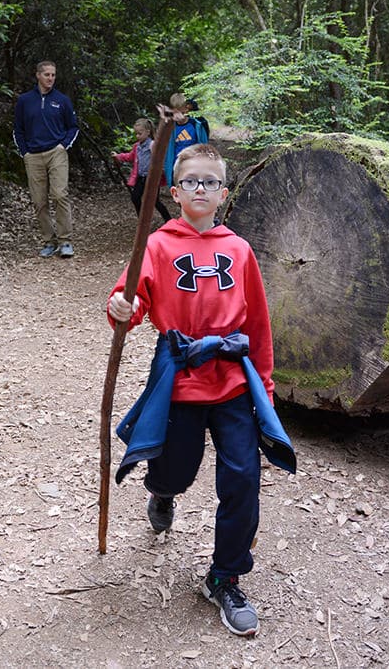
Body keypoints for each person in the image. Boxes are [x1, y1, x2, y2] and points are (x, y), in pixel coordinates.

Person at [107, 143, 274, 637]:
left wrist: (263, 385)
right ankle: (162, 492)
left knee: (243, 479)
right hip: (179, 378)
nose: (200, 188)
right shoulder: (158, 244)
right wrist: (122, 307)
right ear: (175, 190)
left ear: (223, 192)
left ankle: (224, 577)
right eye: (191, 181)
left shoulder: (239, 250)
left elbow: (258, 324)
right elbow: (132, 298)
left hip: (232, 382)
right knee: (175, 468)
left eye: (210, 181)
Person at [13, 60, 78, 258]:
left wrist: (63, 145)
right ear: (38, 75)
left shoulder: (62, 100)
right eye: (47, 74)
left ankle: (65, 241)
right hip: (33, 155)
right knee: (39, 200)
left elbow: (73, 127)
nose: (51, 78)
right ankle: (49, 240)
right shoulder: (25, 100)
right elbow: (18, 128)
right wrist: (25, 151)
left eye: (53, 75)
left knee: (60, 194)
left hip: (56, 152)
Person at [111, 118, 171, 223]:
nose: (137, 136)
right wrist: (118, 156)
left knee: (154, 201)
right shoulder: (137, 147)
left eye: (140, 133)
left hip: (151, 178)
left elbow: (160, 158)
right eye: (136, 134)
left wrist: (161, 170)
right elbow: (130, 156)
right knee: (135, 197)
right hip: (141, 177)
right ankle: (143, 220)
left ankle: (169, 220)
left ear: (148, 132)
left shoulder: (152, 145)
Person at [163, 92, 209, 187]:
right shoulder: (171, 128)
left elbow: (204, 145)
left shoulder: (196, 125)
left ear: (186, 109)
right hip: (177, 165)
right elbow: (168, 150)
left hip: (194, 165)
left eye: (182, 113)